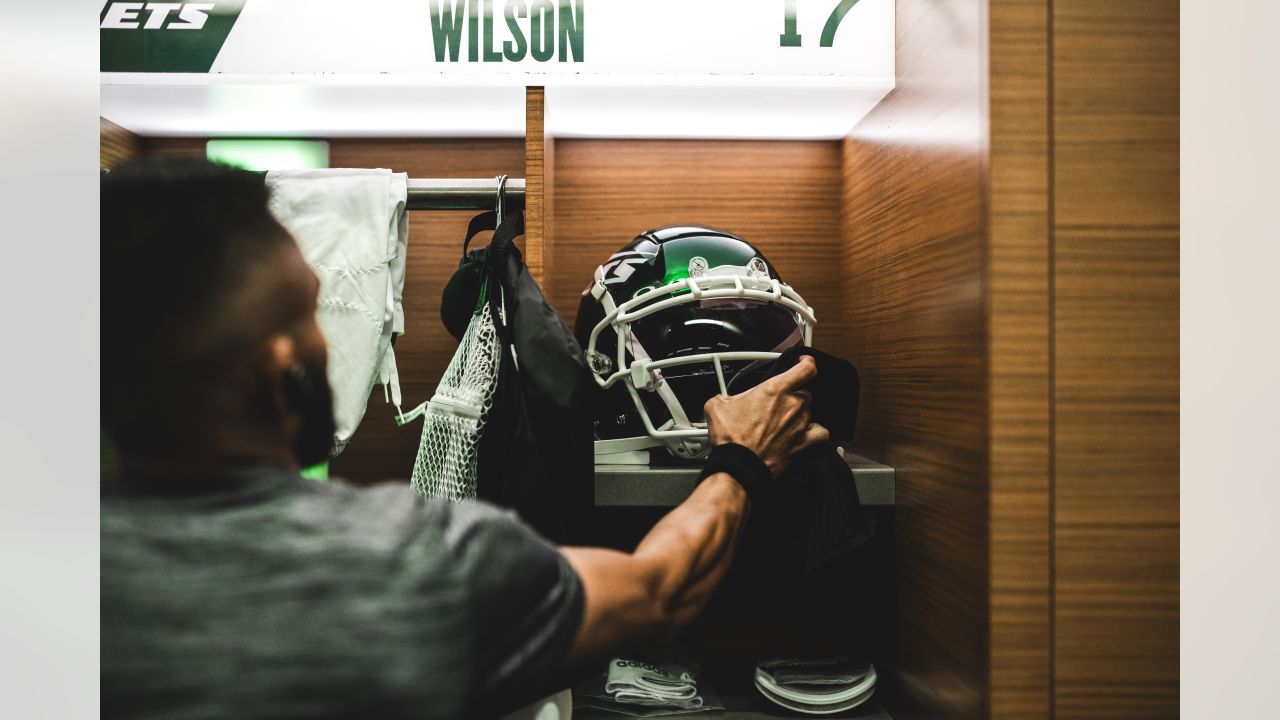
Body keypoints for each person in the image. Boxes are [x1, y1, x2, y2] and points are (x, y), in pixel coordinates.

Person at [100, 159, 828, 719]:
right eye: (311, 314)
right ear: (282, 370)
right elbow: (660, 593)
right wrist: (739, 464)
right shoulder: (421, 563)